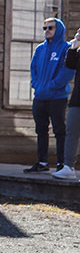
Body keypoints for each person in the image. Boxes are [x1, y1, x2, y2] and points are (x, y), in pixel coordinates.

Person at [26, 16, 70, 173]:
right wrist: (36, 86)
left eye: (50, 28)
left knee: (59, 130)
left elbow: (68, 71)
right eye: (45, 28)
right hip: (40, 97)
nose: (47, 31)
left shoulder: (66, 48)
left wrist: (53, 85)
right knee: (41, 130)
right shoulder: (40, 49)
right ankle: (42, 163)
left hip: (57, 98)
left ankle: (61, 164)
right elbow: (33, 69)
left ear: (58, 30)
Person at [52, 26, 80, 181]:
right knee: (72, 133)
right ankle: (68, 167)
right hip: (77, 99)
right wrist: (74, 46)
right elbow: (70, 64)